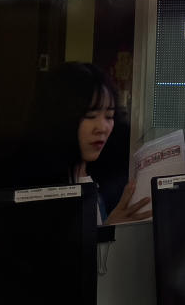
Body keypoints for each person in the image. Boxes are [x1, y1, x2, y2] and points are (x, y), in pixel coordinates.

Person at [19, 62, 151, 224]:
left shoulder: (104, 175)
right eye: (90, 116)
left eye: (109, 116)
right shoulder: (36, 189)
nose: (102, 128)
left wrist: (108, 228)